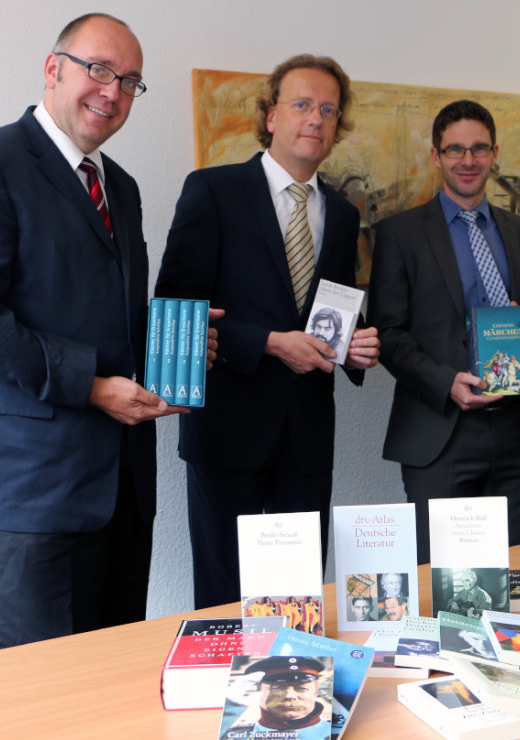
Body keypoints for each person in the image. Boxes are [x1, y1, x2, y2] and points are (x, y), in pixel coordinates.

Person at [0, 14, 203, 651]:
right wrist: (94, 386)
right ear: (54, 69)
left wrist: (174, 350)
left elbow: (103, 314)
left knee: (111, 696)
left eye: (130, 81)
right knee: (38, 709)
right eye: (99, 70)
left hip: (122, 490)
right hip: (28, 495)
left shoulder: (120, 188)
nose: (112, 91)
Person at [155, 54, 380, 608]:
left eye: (328, 110)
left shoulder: (344, 215)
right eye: (302, 105)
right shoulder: (212, 191)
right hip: (227, 428)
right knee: (224, 597)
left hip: (305, 434)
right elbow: (175, 310)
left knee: (296, 597)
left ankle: (296, 694)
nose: (316, 119)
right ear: (271, 115)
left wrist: (353, 348)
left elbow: (334, 311)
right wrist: (269, 343)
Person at [368, 100, 520, 563]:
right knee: (444, 578)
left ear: (494, 153)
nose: (467, 161)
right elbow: (388, 333)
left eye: (478, 149)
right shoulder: (399, 234)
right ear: (436, 156)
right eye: (455, 150)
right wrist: (446, 382)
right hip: (439, 430)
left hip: (516, 430)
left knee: (515, 574)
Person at [220, 656, 330, 740]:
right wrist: (229, 709)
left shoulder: (332, 733)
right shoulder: (235, 739)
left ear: (316, 692)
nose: (289, 696)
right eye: (277, 688)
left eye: (301, 688)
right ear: (259, 691)